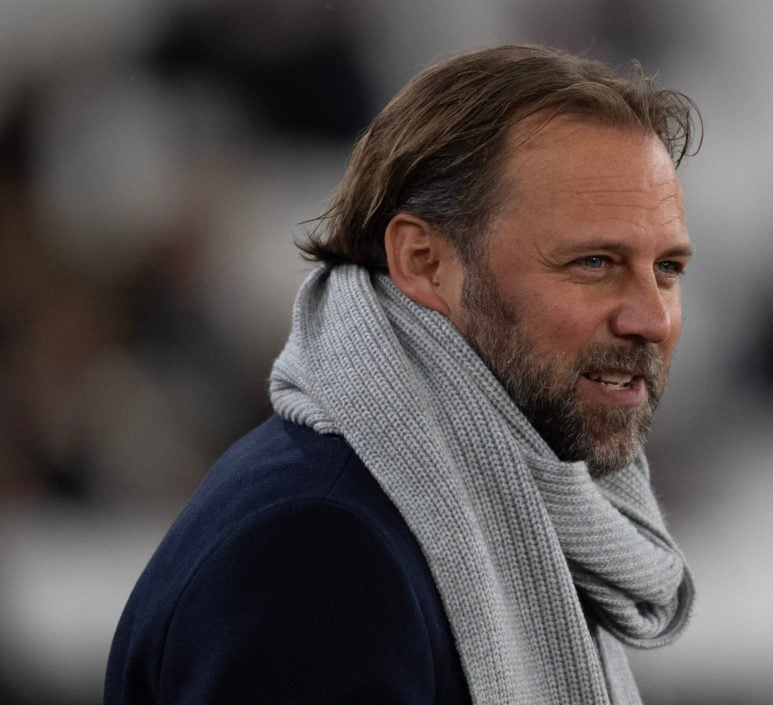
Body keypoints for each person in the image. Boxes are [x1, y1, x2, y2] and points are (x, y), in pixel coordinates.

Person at [105, 44, 699, 705]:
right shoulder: (320, 550)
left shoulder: (495, 515)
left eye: (668, 269)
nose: (652, 318)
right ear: (423, 261)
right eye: (593, 261)